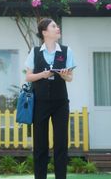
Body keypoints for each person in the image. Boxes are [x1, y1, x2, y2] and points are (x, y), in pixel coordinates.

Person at [24, 18, 75, 179]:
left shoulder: (67, 51)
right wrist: (43, 75)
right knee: (40, 145)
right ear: (45, 32)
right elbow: (29, 77)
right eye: (54, 26)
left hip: (60, 103)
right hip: (40, 103)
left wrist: (65, 75)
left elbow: (70, 78)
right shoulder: (35, 51)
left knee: (61, 143)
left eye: (57, 26)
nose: (57, 28)